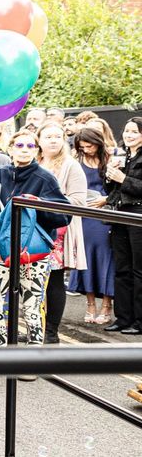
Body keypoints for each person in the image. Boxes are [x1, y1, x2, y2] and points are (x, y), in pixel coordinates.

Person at [0, 129, 71, 349]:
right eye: (19, 145)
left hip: (34, 253)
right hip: (5, 249)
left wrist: (35, 209)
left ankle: (32, 357)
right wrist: (3, 226)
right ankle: (3, 352)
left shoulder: (45, 178)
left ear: (37, 151)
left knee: (32, 304)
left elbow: (64, 214)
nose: (24, 150)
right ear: (10, 148)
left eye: (30, 146)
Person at [37, 121, 88, 343]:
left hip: (57, 232)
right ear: (39, 140)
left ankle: (51, 332)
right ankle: (34, 328)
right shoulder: (32, 161)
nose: (53, 140)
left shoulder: (70, 165)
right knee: (31, 282)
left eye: (58, 136)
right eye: (48, 136)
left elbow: (78, 200)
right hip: (29, 230)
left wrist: (43, 203)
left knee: (54, 281)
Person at [68, 128, 115, 324]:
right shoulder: (75, 162)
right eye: (83, 147)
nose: (87, 150)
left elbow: (118, 189)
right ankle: (90, 304)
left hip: (104, 215)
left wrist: (105, 199)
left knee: (106, 258)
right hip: (83, 214)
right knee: (85, 258)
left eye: (90, 145)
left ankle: (106, 305)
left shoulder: (110, 160)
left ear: (98, 143)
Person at [104, 117, 142, 335]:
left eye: (134, 132)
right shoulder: (123, 155)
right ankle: (123, 317)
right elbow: (111, 188)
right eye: (126, 131)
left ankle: (139, 321)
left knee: (139, 269)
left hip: (138, 214)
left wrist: (123, 178)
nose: (128, 135)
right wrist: (110, 175)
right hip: (120, 213)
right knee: (122, 268)